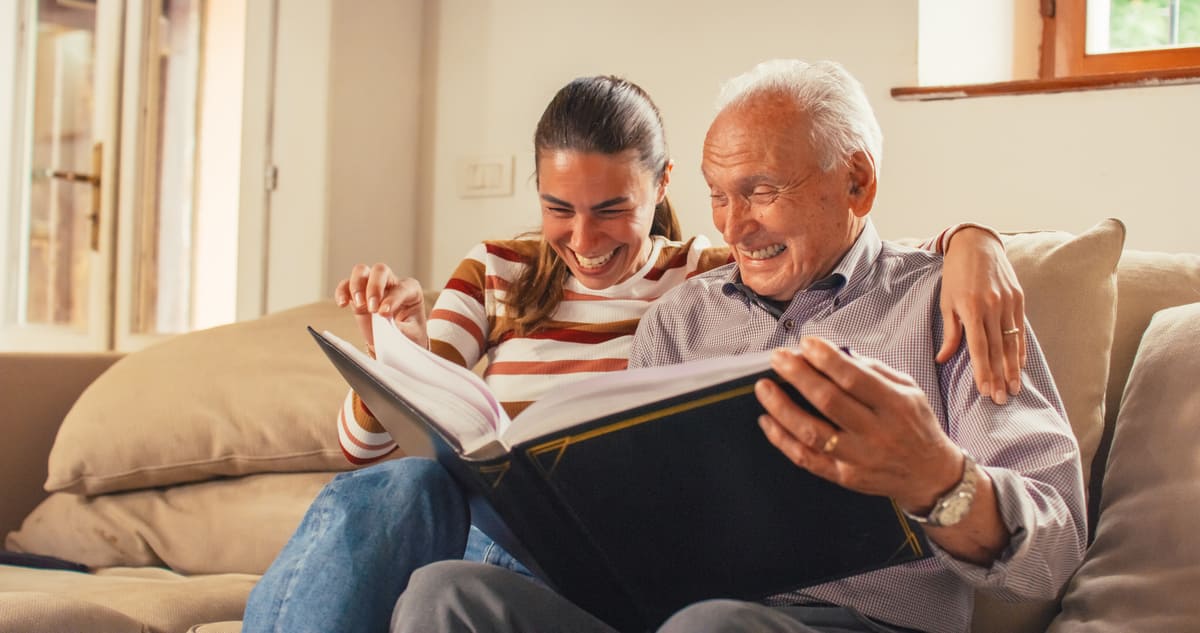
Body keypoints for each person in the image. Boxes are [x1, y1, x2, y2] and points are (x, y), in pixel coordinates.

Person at [243, 74, 1027, 633]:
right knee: (412, 520)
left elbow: (855, 251)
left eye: (612, 209)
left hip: (747, 604)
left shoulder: (707, 267)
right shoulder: (524, 277)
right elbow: (367, 449)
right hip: (519, 543)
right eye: (559, 209)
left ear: (658, 189)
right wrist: (399, 354)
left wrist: (975, 244)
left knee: (705, 621)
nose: (584, 241)